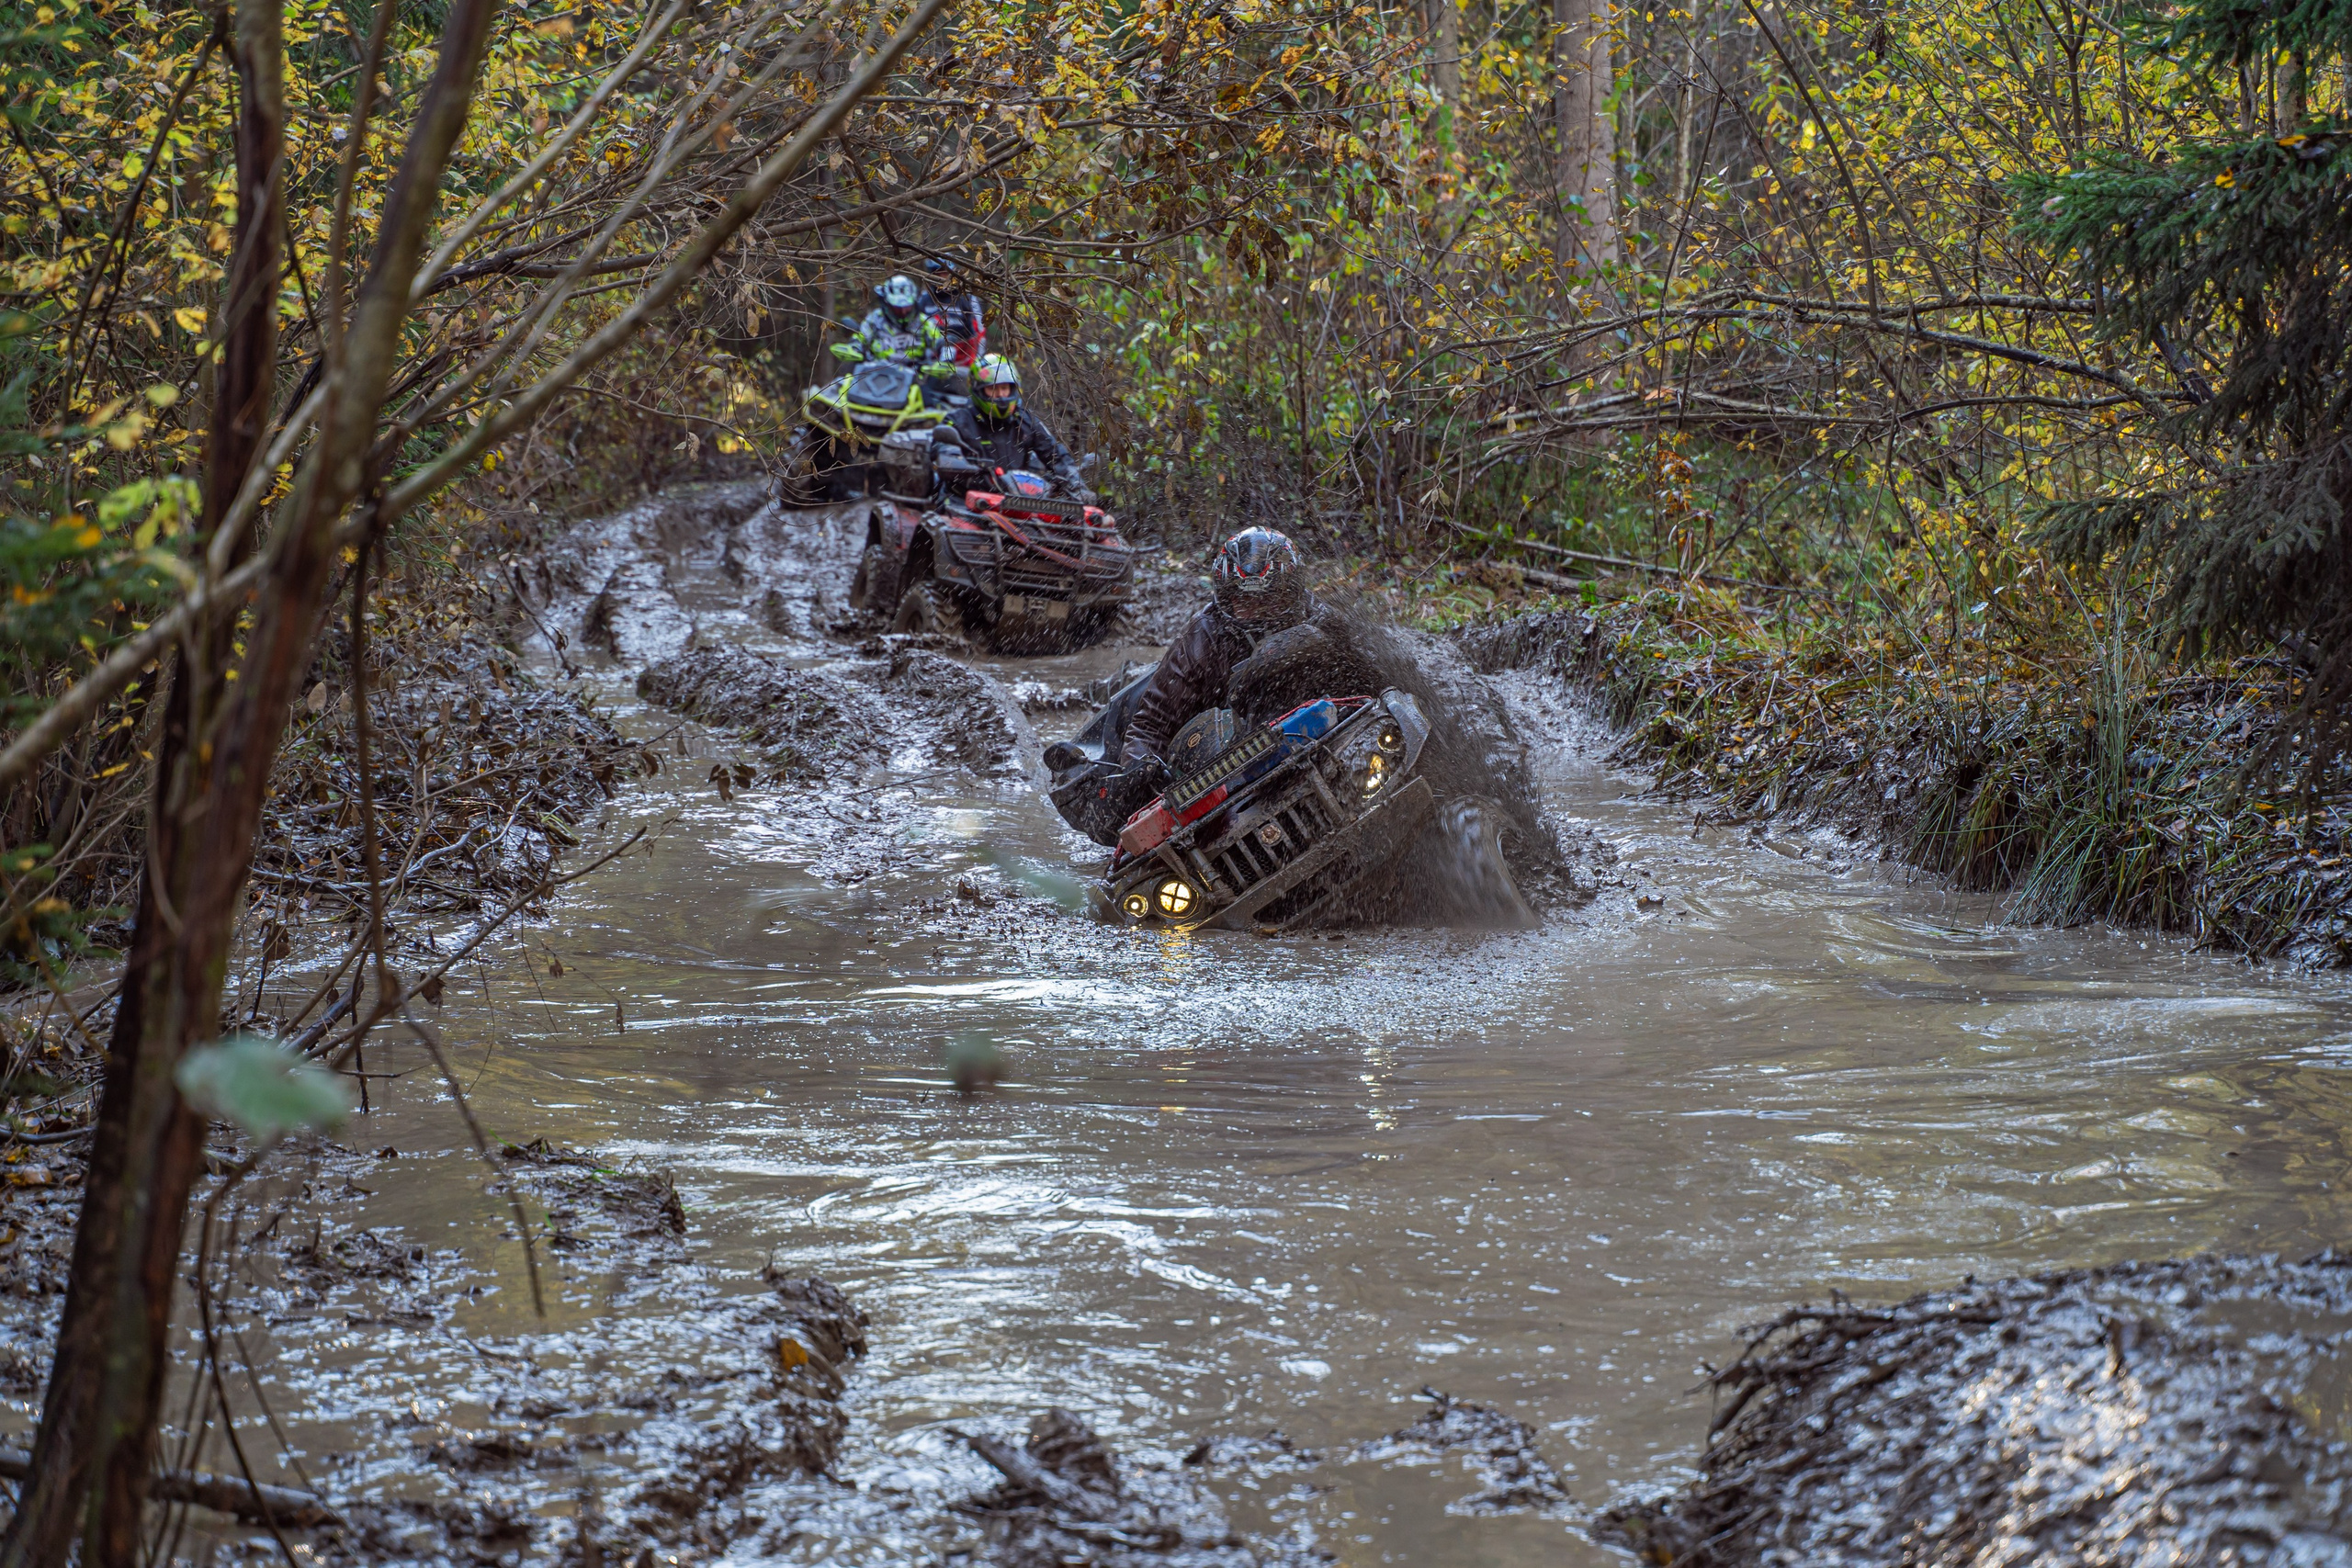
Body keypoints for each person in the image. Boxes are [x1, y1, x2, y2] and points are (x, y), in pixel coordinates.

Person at [1120, 527, 1320, 772]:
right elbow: (1151, 726)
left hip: (1313, 739)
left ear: (1290, 594)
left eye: (1268, 599)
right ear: (1227, 598)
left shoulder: (1318, 617)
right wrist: (1139, 770)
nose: (1256, 610)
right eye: (1244, 601)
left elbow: (1372, 669)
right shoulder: (1201, 638)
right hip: (1223, 761)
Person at [944, 355, 1093, 501]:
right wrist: (971, 473)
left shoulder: (1025, 421)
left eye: (1004, 388)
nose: (1001, 395)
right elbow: (944, 455)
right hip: (964, 503)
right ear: (979, 390)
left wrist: (1077, 485)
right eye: (993, 389)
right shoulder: (957, 421)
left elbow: (1056, 455)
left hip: (1017, 504)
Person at [850, 274, 947, 368]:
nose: (903, 312)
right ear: (887, 304)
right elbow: (859, 341)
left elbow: (943, 345)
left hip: (917, 377)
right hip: (875, 374)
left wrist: (945, 360)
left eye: (907, 307)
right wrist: (854, 350)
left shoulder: (924, 322)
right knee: (840, 383)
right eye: (897, 308)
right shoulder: (874, 320)